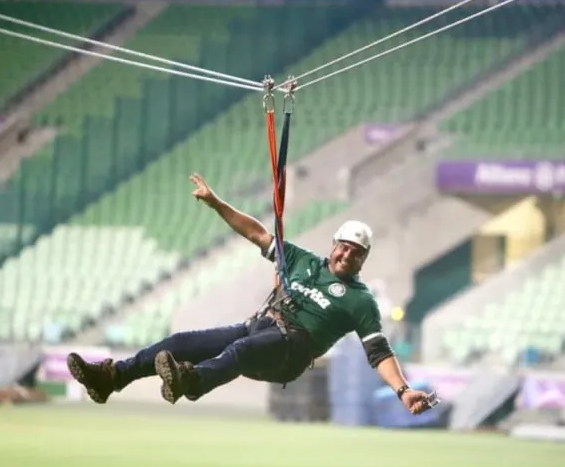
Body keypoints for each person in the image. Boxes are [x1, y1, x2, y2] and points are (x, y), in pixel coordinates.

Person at [66, 173, 434, 415]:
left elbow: (378, 351)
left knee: (238, 351)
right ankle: (112, 378)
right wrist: (216, 203)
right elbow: (257, 233)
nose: (347, 254)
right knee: (180, 341)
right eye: (344, 246)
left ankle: (192, 382)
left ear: (363, 259)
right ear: (334, 243)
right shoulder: (300, 260)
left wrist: (403, 391)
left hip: (289, 352)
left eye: (356, 252)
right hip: (259, 329)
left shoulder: (360, 300)